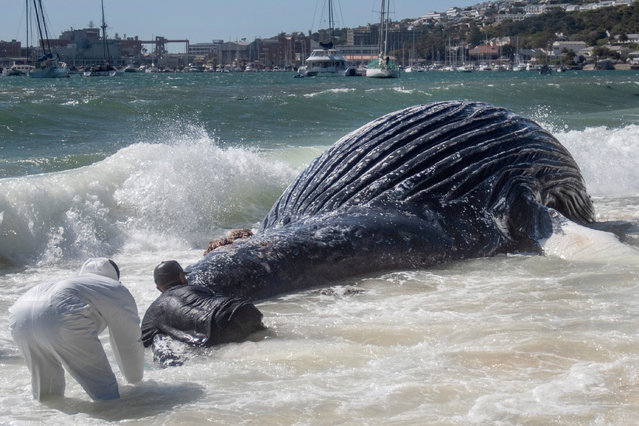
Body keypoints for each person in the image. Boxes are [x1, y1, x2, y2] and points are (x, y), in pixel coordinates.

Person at [8, 257, 145, 401]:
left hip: (20, 314)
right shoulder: (113, 287)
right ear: (115, 277)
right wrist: (135, 381)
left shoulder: (76, 284)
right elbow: (128, 341)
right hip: (59, 311)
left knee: (47, 396)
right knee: (106, 394)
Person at [142, 260, 265, 366]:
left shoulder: (153, 312)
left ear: (158, 288)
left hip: (218, 327)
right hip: (243, 309)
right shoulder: (198, 289)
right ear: (182, 277)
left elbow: (143, 342)